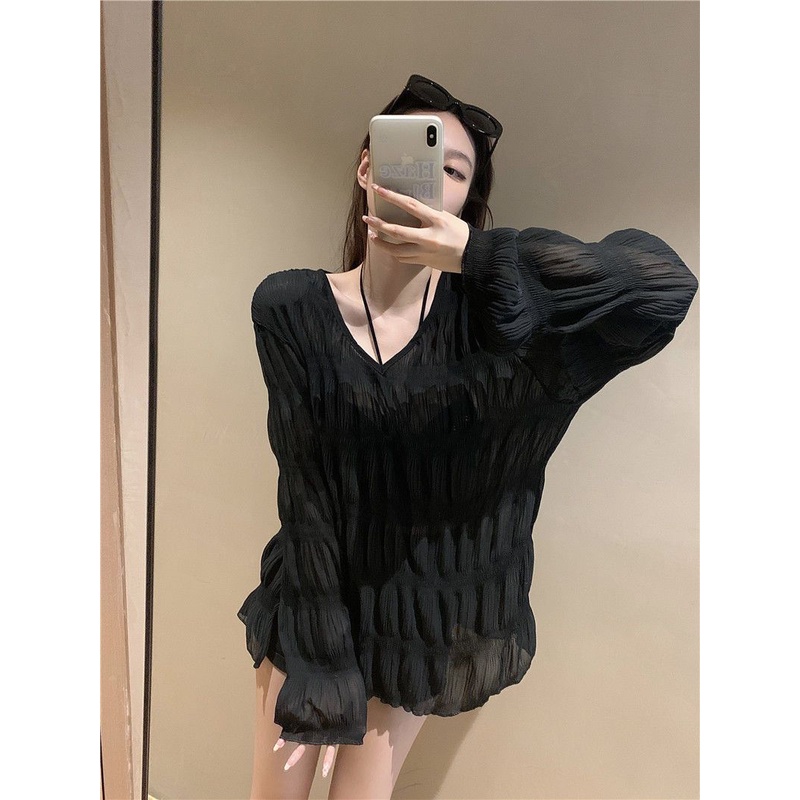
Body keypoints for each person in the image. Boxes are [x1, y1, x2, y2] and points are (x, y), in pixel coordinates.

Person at [237, 73, 699, 799]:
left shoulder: (501, 333)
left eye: (452, 171)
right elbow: (305, 485)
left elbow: (662, 285)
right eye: (413, 156)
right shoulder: (290, 305)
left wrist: (479, 259)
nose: (429, 182)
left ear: (467, 203)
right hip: (314, 590)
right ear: (367, 167)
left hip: (423, 616)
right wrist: (321, 660)